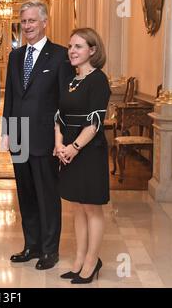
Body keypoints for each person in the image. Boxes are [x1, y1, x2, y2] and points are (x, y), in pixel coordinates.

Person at [2, 0, 74, 270]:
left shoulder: (60, 56)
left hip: (45, 139)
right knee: (26, 195)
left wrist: (61, 138)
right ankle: (31, 245)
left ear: (45, 22)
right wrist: (6, 130)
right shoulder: (15, 56)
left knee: (47, 196)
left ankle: (49, 250)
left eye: (32, 21)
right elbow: (10, 95)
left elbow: (64, 102)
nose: (27, 26)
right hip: (19, 138)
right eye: (24, 21)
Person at [54, 28, 111, 284]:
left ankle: (92, 261)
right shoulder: (70, 79)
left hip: (89, 152)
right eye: (70, 46)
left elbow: (95, 121)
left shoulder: (98, 80)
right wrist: (59, 145)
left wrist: (74, 148)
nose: (72, 51)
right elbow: (59, 116)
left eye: (78, 46)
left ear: (92, 50)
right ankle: (79, 259)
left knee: (92, 207)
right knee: (77, 206)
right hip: (68, 150)